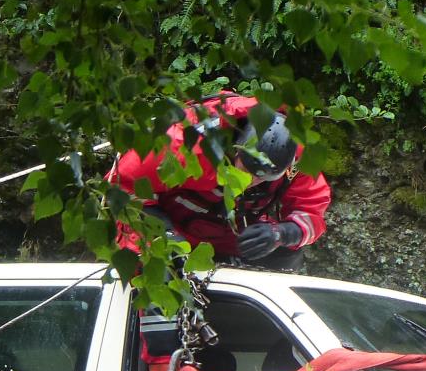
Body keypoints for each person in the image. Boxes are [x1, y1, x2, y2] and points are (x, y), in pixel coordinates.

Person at [109, 91, 332, 270]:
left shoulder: (298, 159)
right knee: (159, 269)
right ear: (236, 148)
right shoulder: (183, 142)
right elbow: (121, 188)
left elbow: (312, 211)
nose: (251, 181)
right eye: (247, 170)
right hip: (170, 223)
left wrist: (281, 233)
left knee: (287, 251)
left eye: (264, 177)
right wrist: (164, 238)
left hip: (233, 233)